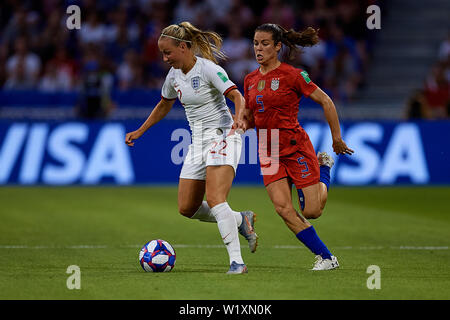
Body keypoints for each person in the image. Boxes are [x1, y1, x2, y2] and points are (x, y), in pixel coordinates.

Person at [125, 21, 258, 274]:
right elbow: (165, 104)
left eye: (168, 52)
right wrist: (141, 131)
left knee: (216, 199)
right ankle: (241, 219)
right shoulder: (174, 75)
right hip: (197, 142)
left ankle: (237, 263)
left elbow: (236, 95)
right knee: (187, 208)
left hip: (223, 135)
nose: (164, 58)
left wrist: (239, 119)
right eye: (162, 53)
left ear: (184, 47)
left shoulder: (208, 69)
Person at [237, 23, 354, 270]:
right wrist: (235, 127)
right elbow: (248, 118)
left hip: (295, 148)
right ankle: (326, 257)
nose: (259, 48)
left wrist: (336, 139)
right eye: (256, 43)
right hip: (268, 152)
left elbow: (326, 100)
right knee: (283, 209)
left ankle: (324, 169)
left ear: (278, 46)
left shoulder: (294, 75)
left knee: (312, 211)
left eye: (265, 43)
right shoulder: (249, 80)